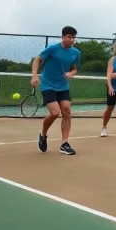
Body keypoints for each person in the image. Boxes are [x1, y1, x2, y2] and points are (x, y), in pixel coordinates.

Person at [32, 26, 81, 155]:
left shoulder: (76, 53)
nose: (71, 40)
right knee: (54, 113)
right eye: (69, 37)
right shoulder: (52, 49)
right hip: (48, 85)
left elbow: (75, 68)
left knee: (66, 110)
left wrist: (72, 73)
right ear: (63, 36)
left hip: (63, 85)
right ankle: (43, 134)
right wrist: (35, 75)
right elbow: (37, 60)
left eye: (73, 38)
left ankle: (64, 144)